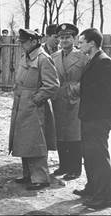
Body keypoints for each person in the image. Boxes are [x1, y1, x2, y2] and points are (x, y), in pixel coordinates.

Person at [9, 28, 60, 190]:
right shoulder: (27, 56)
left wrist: (35, 99)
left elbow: (52, 85)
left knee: (35, 142)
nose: (21, 45)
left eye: (23, 42)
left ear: (34, 41)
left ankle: (40, 178)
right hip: (21, 105)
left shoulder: (43, 59)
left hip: (34, 107)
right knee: (23, 140)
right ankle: (28, 175)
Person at [73, 28, 111, 209]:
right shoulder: (93, 60)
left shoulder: (104, 62)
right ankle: (92, 188)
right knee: (89, 155)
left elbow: (104, 94)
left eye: (81, 42)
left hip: (98, 118)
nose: (78, 45)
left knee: (98, 156)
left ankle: (104, 197)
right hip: (89, 116)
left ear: (92, 43)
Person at [50, 23, 88, 180]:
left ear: (74, 39)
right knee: (60, 134)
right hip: (58, 98)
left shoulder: (83, 57)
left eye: (68, 37)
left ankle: (75, 168)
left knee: (74, 135)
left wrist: (76, 90)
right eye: (61, 37)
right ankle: (63, 165)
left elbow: (89, 79)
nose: (64, 40)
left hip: (75, 99)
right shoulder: (54, 56)